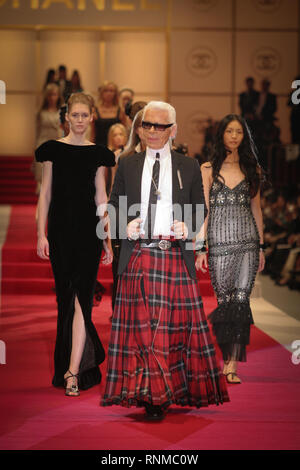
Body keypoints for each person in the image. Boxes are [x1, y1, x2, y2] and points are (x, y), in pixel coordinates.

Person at [101, 101, 229, 419]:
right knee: (145, 332)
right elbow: (113, 205)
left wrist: (190, 227)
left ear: (173, 130)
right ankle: (152, 396)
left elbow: (200, 206)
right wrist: (121, 225)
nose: (153, 132)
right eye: (147, 125)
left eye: (161, 126)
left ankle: (164, 391)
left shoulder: (188, 165)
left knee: (171, 330)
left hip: (174, 255)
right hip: (139, 254)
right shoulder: (128, 164)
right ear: (140, 129)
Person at [36, 92, 115, 396]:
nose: (80, 120)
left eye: (85, 115)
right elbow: (45, 195)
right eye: (75, 115)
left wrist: (106, 239)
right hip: (59, 233)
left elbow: (101, 198)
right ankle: (70, 364)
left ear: (92, 117)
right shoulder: (51, 150)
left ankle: (72, 372)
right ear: (67, 117)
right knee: (64, 300)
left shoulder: (100, 154)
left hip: (89, 233)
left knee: (83, 298)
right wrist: (40, 234)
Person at [197, 114, 265, 384]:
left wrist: (261, 246)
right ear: (221, 135)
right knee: (224, 302)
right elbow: (204, 211)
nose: (234, 136)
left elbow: (257, 209)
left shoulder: (252, 170)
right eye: (230, 131)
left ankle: (232, 363)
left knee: (241, 301)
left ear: (244, 137)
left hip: (248, 242)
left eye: (239, 132)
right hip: (219, 243)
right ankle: (226, 356)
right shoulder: (207, 169)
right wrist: (201, 247)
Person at [33, 83, 63, 194]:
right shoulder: (41, 113)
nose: (52, 97)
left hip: (57, 145)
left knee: (55, 178)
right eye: (50, 95)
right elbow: (37, 131)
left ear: (58, 96)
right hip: (42, 143)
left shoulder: (62, 112)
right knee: (42, 178)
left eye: (54, 94)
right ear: (46, 96)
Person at [93, 81, 126, 146]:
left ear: (115, 93)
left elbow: (124, 134)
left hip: (116, 147)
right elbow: (93, 134)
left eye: (111, 91)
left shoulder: (121, 111)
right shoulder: (95, 110)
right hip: (99, 146)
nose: (109, 93)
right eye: (106, 91)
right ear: (101, 93)